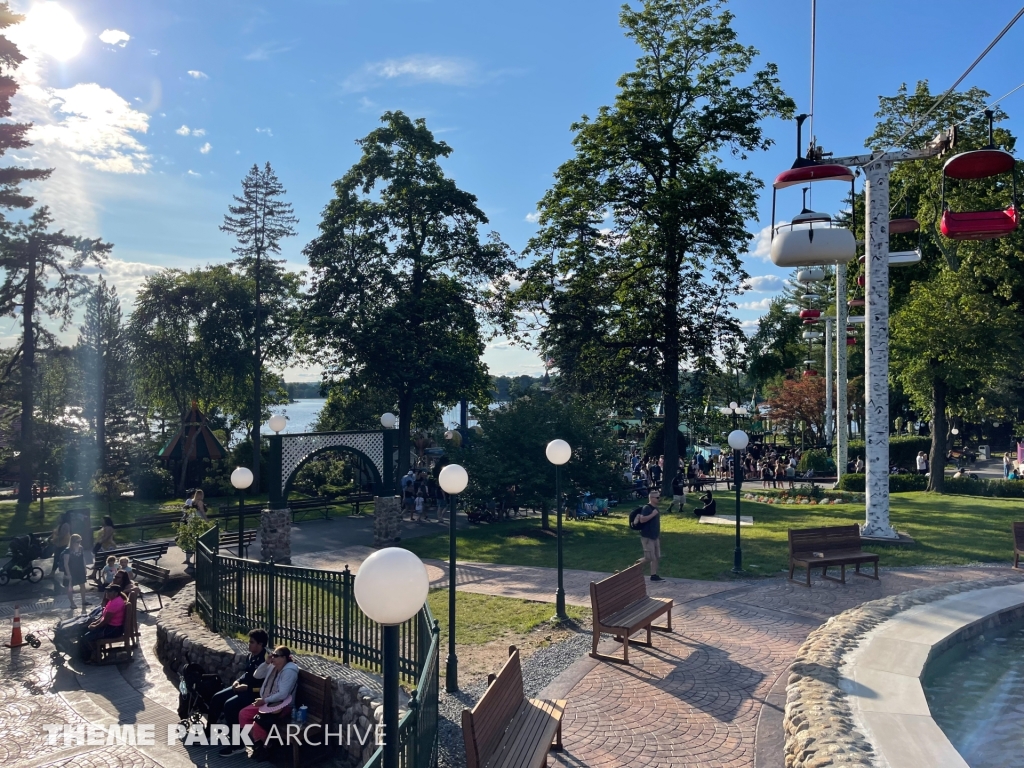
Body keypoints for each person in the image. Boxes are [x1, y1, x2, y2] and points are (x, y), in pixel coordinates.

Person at [223, 645, 300, 758]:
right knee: (243, 714)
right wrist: (266, 663)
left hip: (282, 705)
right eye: (272, 654)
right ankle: (260, 745)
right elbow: (257, 675)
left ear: (284, 658)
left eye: (275, 656)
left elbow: (283, 694)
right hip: (266, 703)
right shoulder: (272, 666)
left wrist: (264, 700)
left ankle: (265, 749)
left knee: (258, 723)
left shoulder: (289, 671)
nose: (272, 657)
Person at [208, 628, 268, 737]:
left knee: (230, 705)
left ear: (260, 644)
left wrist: (247, 688)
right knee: (217, 697)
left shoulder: (266, 661)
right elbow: (247, 673)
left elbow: (266, 686)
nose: (248, 644)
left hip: (255, 693)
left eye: (252, 642)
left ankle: (237, 741)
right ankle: (209, 732)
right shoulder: (251, 656)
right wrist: (238, 681)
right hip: (243, 688)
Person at [81, 584, 126, 661]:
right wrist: (94, 623)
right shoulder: (112, 600)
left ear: (115, 593)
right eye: (107, 591)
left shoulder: (115, 603)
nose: (106, 593)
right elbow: (103, 616)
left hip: (114, 629)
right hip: (110, 626)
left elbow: (105, 621)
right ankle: (93, 652)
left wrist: (95, 627)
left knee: (87, 637)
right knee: (85, 631)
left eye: (109, 592)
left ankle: (95, 655)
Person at [635, 490, 663, 582]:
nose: (659, 499)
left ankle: (653, 575)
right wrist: (652, 514)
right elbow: (642, 520)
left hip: (655, 536)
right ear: (651, 498)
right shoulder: (647, 508)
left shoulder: (656, 508)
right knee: (649, 557)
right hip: (647, 537)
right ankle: (636, 565)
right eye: (657, 497)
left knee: (657, 556)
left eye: (659, 497)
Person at [62, 533, 89, 611]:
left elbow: (82, 558)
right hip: (71, 570)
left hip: (79, 569)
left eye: (80, 541)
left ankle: (84, 600)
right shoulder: (67, 550)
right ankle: (72, 603)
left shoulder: (81, 548)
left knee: (82, 585)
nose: (79, 543)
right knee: (70, 587)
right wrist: (68, 574)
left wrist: (85, 568)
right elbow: (66, 563)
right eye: (77, 541)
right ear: (73, 542)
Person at [49, 513, 71, 577]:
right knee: (56, 558)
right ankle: (52, 573)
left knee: (63, 560)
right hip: (58, 545)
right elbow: (55, 533)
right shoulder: (59, 525)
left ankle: (66, 574)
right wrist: (50, 537)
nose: (57, 518)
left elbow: (62, 535)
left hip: (63, 545)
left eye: (59, 517)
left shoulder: (66, 525)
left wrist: (53, 540)